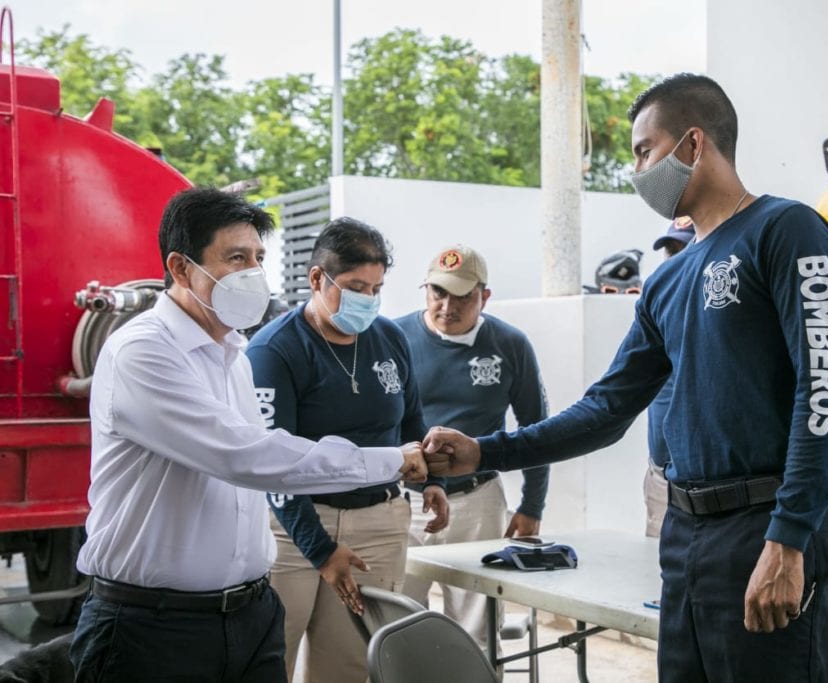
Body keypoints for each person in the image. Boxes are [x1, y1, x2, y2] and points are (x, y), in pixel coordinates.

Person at [423, 72, 828, 682]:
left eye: (643, 150)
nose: (636, 169)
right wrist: (485, 452)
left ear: (693, 144)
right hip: (684, 539)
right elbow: (605, 410)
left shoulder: (786, 231)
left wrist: (789, 538)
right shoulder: (665, 282)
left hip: (764, 529)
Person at [70, 188, 427, 683]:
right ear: (180, 267)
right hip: (153, 626)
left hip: (250, 614)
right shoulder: (143, 352)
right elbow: (250, 458)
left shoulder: (232, 354)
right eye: (235, 257)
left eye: (258, 258)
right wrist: (393, 460)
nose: (252, 273)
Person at [245, 218, 448, 683]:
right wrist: (321, 550)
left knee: (352, 664)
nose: (369, 300)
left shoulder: (390, 337)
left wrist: (433, 479)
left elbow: (410, 420)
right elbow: (273, 464)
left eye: (376, 288)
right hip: (293, 530)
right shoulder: (274, 351)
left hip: (377, 525)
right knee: (270, 657)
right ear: (318, 278)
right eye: (356, 286)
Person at [395, 244, 550, 648]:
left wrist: (532, 507)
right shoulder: (394, 339)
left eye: (463, 296)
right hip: (404, 500)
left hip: (478, 500)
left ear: (484, 296)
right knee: (395, 622)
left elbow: (536, 429)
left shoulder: (510, 344)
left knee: (476, 627)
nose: (447, 305)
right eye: (437, 292)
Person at [644, 218, 695, 537]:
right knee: (656, 580)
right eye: (670, 251)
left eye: (684, 249)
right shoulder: (658, 311)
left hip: (707, 486)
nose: (675, 260)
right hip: (661, 478)